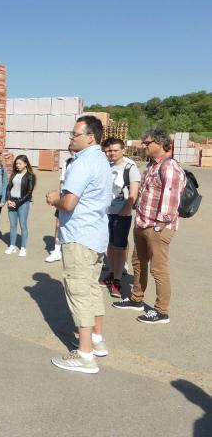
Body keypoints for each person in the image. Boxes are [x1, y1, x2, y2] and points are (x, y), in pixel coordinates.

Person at [46, 115, 112, 374]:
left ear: (90, 137)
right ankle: (96, 340)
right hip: (95, 236)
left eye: (74, 134)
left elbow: (69, 202)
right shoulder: (102, 161)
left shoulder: (83, 163)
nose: (70, 138)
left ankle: (84, 355)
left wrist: (54, 198)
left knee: (79, 293)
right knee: (92, 289)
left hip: (80, 237)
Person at [113, 128, 186, 324]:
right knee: (138, 262)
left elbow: (171, 200)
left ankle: (162, 311)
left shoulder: (169, 167)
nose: (144, 146)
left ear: (161, 144)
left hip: (157, 227)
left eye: (148, 143)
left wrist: (159, 226)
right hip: (143, 223)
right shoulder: (153, 165)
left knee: (158, 268)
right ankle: (137, 299)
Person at [101, 138, 140, 298]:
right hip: (106, 213)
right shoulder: (105, 166)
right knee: (109, 246)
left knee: (119, 247)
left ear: (123, 150)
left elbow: (134, 193)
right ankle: (111, 273)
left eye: (115, 150)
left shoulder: (130, 167)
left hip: (121, 215)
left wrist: (125, 210)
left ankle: (117, 280)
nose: (111, 153)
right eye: (109, 151)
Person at [46, 147, 74, 263]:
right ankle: (57, 250)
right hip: (64, 197)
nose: (73, 153)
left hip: (76, 200)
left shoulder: (84, 164)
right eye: (71, 151)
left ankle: (70, 251)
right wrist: (59, 197)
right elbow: (62, 181)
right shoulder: (67, 163)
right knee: (58, 225)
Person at [5, 155, 36, 257]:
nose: (17, 165)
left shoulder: (30, 176)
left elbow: (29, 193)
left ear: (26, 164)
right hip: (11, 202)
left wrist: (17, 203)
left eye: (20, 163)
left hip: (23, 203)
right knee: (12, 225)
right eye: (16, 163)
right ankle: (12, 246)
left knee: (23, 225)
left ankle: (23, 248)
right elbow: (9, 187)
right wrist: (8, 199)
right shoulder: (14, 174)